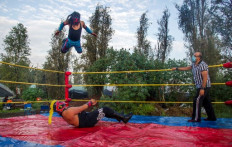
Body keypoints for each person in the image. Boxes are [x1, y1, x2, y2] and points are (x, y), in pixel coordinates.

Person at [171, 52, 216, 122]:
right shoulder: (194, 64)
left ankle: (196, 118)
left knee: (197, 100)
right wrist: (176, 68)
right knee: (206, 102)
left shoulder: (203, 65)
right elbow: (187, 68)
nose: (193, 57)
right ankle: (212, 117)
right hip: (199, 86)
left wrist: (202, 88)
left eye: (195, 56)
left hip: (204, 86)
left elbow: (205, 77)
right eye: (193, 55)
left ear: (199, 57)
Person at [53, 99, 133, 128]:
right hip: (87, 121)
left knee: (102, 112)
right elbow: (82, 108)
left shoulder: (64, 114)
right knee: (104, 109)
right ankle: (123, 118)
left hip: (84, 121)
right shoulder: (67, 112)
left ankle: (119, 116)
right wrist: (90, 102)